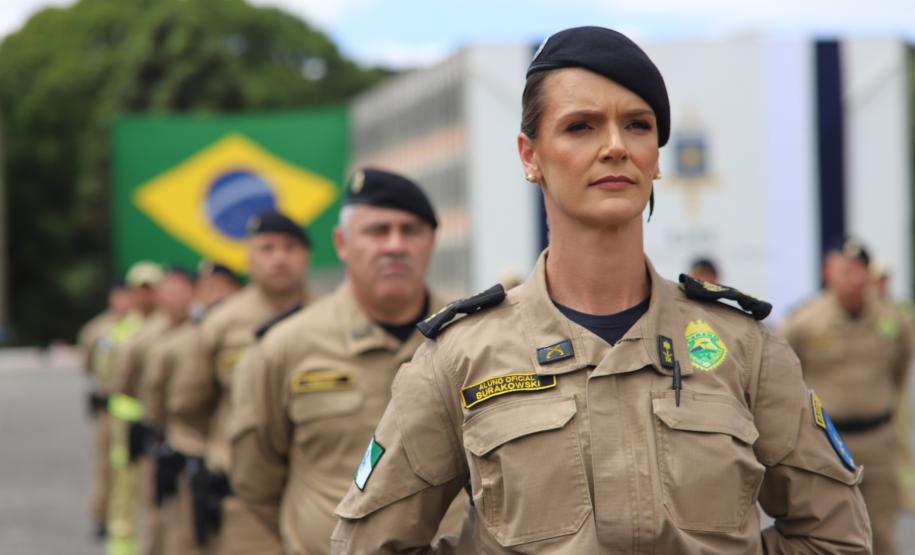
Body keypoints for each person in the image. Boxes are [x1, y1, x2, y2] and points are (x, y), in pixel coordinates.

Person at [331, 26, 871, 554]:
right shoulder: (461, 357)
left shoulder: (744, 348)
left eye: (637, 125)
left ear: (657, 157)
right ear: (530, 155)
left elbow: (835, 537)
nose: (615, 147)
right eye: (581, 127)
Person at [228, 169, 467, 555]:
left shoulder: (470, 340)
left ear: (431, 241)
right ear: (342, 243)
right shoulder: (285, 346)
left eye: (410, 230)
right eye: (377, 231)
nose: (395, 245)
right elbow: (255, 477)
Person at [781, 238, 914, 554]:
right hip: (828, 445)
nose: (854, 279)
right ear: (829, 272)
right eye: (846, 270)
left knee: (881, 534)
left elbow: (900, 370)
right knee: (829, 536)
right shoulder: (804, 323)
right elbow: (784, 377)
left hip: (877, 444)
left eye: (860, 271)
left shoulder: (892, 320)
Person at [193, 211, 310, 554]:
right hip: (244, 496)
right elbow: (192, 402)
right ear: (249, 257)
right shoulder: (222, 322)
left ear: (306, 256)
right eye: (267, 248)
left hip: (317, 491)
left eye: (290, 248)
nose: (279, 258)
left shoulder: (331, 316)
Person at [143, 262, 243, 555]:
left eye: (221, 287)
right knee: (190, 537)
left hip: (233, 455)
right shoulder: (185, 339)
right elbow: (177, 401)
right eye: (207, 287)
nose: (214, 296)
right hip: (196, 450)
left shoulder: (201, 334)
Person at [106, 260, 167, 555]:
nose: (145, 296)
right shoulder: (121, 330)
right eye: (139, 290)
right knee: (124, 488)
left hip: (158, 421)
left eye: (151, 289)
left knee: (157, 492)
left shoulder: (170, 326)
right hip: (126, 420)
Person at [77, 281, 136, 540]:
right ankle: (101, 516)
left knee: (128, 471)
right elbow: (87, 363)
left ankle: (125, 519)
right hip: (106, 409)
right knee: (104, 466)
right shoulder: (98, 329)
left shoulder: (139, 326)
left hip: (132, 409)